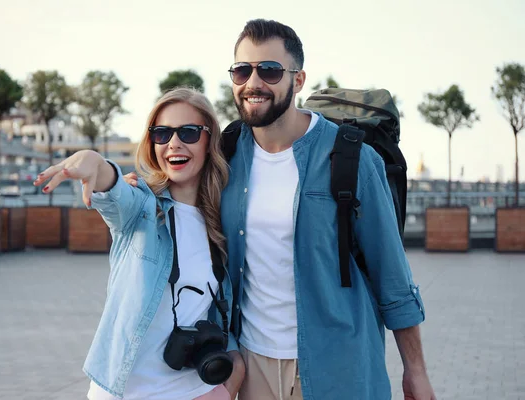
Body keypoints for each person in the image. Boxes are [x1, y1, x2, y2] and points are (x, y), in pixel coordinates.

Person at [219, 19, 436, 400]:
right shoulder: (228, 155)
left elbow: (392, 275)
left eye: (269, 70)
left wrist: (414, 371)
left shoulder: (351, 157)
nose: (253, 83)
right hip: (252, 367)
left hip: (339, 365)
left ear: (298, 80)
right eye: (242, 70)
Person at [34, 88, 245, 400]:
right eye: (162, 133)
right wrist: (94, 162)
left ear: (209, 139)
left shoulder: (221, 219)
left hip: (193, 391)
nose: (174, 142)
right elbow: (115, 193)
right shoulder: (143, 209)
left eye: (188, 132)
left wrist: (227, 387)